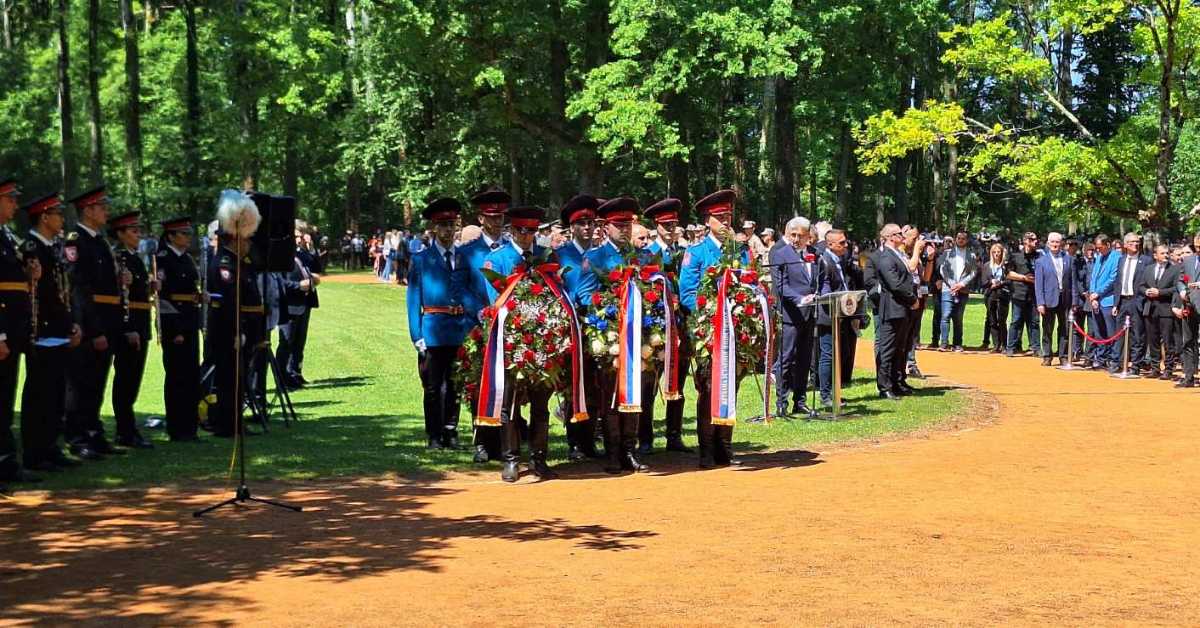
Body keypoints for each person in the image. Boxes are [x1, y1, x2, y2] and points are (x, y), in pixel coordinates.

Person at [481, 205, 559, 482]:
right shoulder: (498, 259)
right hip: (511, 340)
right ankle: (511, 459)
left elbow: (557, 294)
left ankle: (539, 458)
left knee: (541, 404)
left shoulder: (545, 256)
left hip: (544, 340)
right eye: (522, 231)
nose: (527, 236)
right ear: (511, 230)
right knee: (510, 404)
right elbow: (496, 301)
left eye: (532, 231)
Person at [679, 189, 749, 468]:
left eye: (728, 217)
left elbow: (748, 282)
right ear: (708, 221)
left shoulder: (739, 251)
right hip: (709, 331)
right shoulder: (695, 253)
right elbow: (687, 293)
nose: (726, 223)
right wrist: (709, 313)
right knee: (709, 388)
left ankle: (725, 446)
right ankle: (706, 448)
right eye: (720, 218)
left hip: (736, 328)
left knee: (732, 386)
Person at [408, 198, 484, 451]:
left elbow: (471, 291)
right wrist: (416, 334)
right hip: (433, 329)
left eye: (451, 225)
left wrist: (477, 318)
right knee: (432, 386)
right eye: (442, 225)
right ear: (433, 228)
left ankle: (451, 431)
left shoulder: (464, 257)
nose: (447, 230)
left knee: (455, 384)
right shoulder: (421, 259)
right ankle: (434, 434)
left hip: (459, 329)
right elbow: (412, 300)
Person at [585, 197, 653, 474]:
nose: (624, 229)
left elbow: (656, 289)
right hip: (610, 334)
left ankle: (630, 450)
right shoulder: (595, 257)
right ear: (605, 227)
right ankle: (613, 452)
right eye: (618, 224)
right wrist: (609, 308)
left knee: (635, 393)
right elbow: (584, 294)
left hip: (640, 336)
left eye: (628, 224)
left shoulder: (643, 257)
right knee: (611, 396)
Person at [19, 193, 83, 472]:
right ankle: (36, 451)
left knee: (56, 393)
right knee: (40, 395)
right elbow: (39, 296)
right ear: (44, 217)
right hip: (42, 331)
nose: (61, 219)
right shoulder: (32, 247)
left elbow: (62, 293)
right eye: (56, 213)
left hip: (58, 329)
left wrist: (71, 323)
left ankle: (50, 446)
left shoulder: (53, 248)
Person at [63, 186, 125, 460]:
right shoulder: (76, 242)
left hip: (107, 319)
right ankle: (77, 436)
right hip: (90, 322)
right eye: (101, 206)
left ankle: (93, 431)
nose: (106, 211)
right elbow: (80, 289)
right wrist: (95, 329)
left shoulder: (99, 241)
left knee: (97, 381)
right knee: (81, 382)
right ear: (87, 211)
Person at [206, 190, 264, 438]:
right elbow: (228, 303)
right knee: (229, 379)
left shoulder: (240, 262)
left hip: (241, 328)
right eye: (245, 239)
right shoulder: (224, 264)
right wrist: (237, 331)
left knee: (238, 378)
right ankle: (227, 424)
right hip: (228, 329)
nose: (249, 243)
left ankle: (234, 421)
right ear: (234, 240)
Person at [461, 185, 512, 463]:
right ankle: (481, 440)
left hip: (508, 327)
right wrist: (479, 311)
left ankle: (506, 440)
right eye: (491, 217)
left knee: (507, 386)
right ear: (481, 219)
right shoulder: (468, 252)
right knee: (479, 385)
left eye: (500, 216)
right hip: (478, 326)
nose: (496, 221)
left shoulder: (511, 250)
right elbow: (462, 287)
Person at [640, 198, 691, 454]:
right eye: (665, 225)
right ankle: (646, 438)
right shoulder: (647, 255)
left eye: (674, 224)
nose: (671, 229)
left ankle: (674, 435)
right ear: (656, 226)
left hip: (680, 326)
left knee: (678, 383)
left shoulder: (683, 252)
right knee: (648, 384)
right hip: (657, 328)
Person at [554, 194, 602, 461]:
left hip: (599, 327)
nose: (587, 227)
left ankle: (590, 441)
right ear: (571, 227)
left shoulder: (600, 254)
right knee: (573, 385)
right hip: (571, 324)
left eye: (591, 222)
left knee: (596, 385)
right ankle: (574, 441)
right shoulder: (560, 256)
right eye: (582, 223)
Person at [0, 180, 41, 484]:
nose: (15, 205)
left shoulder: (7, 237)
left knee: (5, 398)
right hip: (2, 330)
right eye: (10, 199)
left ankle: (6, 461)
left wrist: (29, 275)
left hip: (14, 329)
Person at [108, 212, 154, 448]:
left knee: (133, 379)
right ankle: (124, 429)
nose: (139, 235)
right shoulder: (120, 258)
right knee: (125, 379)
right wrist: (129, 328)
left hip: (141, 322)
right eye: (133, 231)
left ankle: (128, 428)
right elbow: (123, 298)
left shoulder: (135, 258)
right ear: (121, 234)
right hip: (130, 324)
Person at [156, 216, 203, 442]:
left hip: (190, 320)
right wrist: (174, 330)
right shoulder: (164, 259)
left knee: (191, 375)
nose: (187, 237)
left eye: (188, 233)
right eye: (183, 234)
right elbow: (163, 298)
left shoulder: (186, 259)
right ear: (171, 236)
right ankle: (177, 427)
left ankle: (190, 426)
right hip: (176, 324)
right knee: (177, 377)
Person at [873, 224, 916, 400]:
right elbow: (895, 284)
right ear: (891, 237)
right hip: (892, 308)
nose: (903, 236)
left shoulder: (897, 254)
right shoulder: (886, 257)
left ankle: (896, 382)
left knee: (899, 348)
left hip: (901, 308)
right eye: (900, 233)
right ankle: (884, 387)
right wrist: (912, 298)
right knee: (887, 349)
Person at [277, 225, 321, 389]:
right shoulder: (281, 256)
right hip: (290, 304)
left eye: (302, 235)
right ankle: (283, 377)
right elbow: (280, 282)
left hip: (305, 302)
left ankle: (295, 372)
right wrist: (299, 286)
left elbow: (317, 268)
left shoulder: (302, 254)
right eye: (297, 235)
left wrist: (312, 249)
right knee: (287, 341)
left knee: (299, 342)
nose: (300, 238)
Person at [1138, 243, 1179, 379]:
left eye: (1167, 253)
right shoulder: (1148, 269)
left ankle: (1168, 369)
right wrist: (1147, 291)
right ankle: (1155, 368)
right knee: (1153, 340)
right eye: (1162, 253)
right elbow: (1141, 285)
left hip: (1166, 309)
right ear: (1155, 256)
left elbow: (1176, 288)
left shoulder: (1174, 269)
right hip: (1150, 309)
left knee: (1168, 341)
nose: (1166, 255)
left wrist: (1160, 292)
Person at [1034, 232, 1075, 367]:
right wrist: (1040, 302)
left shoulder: (1068, 259)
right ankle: (1047, 355)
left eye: (1057, 242)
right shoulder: (1041, 261)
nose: (1055, 245)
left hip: (1065, 299)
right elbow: (1038, 284)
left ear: (1062, 244)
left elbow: (1072, 281)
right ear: (1048, 244)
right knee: (1047, 329)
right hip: (1048, 300)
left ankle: (1063, 356)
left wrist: (1074, 301)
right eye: (1052, 242)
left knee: (1064, 329)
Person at [1112, 232, 1148, 374]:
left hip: (1136, 300)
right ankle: (1120, 363)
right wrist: (1116, 303)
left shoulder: (1145, 260)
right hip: (1122, 301)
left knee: (1137, 335)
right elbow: (1117, 283)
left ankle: (1135, 365)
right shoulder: (1121, 260)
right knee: (1120, 334)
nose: (1135, 244)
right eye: (1132, 242)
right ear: (1125, 244)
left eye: (1137, 242)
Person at [937, 230, 976, 352]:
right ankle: (944, 343)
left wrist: (962, 284)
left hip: (963, 289)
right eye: (959, 238)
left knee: (958, 317)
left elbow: (973, 272)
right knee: (945, 315)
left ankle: (957, 343)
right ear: (955, 239)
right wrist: (952, 283)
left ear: (967, 240)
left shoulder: (972, 255)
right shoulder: (947, 253)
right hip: (947, 288)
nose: (961, 240)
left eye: (963, 238)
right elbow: (943, 269)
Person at [1087, 234, 1120, 370]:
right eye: (1097, 248)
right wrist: (1092, 296)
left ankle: (1113, 359)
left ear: (1108, 245)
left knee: (1111, 332)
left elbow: (1112, 279)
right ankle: (1101, 358)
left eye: (1100, 248)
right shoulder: (1099, 258)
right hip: (1096, 301)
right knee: (1098, 331)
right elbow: (1093, 277)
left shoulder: (1116, 257)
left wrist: (1098, 293)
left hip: (1108, 300)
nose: (1098, 250)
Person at [1006, 232, 1042, 357]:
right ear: (1025, 241)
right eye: (1032, 239)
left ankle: (1036, 347)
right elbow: (1008, 273)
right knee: (1016, 321)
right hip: (1018, 293)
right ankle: (1011, 347)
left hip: (1034, 294)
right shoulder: (1015, 256)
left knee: (1034, 322)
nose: (1035, 242)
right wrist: (1023, 278)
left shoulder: (1039, 256)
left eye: (1036, 239)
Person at [1174, 242, 1200, 387]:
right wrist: (1182, 290)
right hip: (1189, 306)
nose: (1198, 250)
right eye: (1197, 247)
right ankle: (1189, 377)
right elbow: (1181, 279)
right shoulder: (1188, 260)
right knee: (1188, 341)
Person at [982, 242, 1010, 353]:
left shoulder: (1006, 266)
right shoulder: (987, 266)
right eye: (994, 252)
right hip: (990, 295)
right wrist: (991, 282)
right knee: (992, 321)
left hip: (1003, 295)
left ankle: (1004, 345)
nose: (996, 254)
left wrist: (1000, 283)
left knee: (1002, 320)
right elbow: (983, 282)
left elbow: (1009, 280)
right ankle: (996, 344)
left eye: (998, 252)